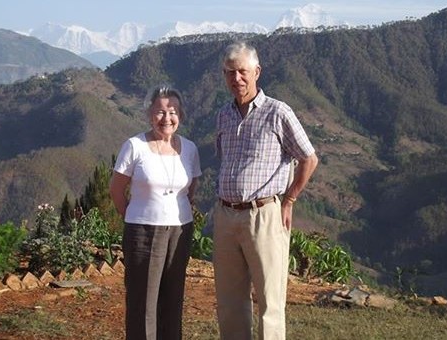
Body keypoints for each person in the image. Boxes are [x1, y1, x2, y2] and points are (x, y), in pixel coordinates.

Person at [212, 41, 319, 340]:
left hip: (265, 215)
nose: (237, 79)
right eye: (230, 73)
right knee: (229, 301)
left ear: (257, 72)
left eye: (243, 71)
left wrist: (290, 199)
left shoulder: (277, 112)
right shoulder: (223, 115)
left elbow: (309, 158)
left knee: (270, 302)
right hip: (225, 214)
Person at [109, 85, 202, 340]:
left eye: (172, 112)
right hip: (143, 231)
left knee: (173, 297)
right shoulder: (134, 146)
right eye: (160, 112)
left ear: (180, 115)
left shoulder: (190, 149)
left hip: (180, 230)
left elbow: (191, 187)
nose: (166, 118)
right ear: (150, 113)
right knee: (144, 301)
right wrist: (134, 215)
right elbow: (116, 189)